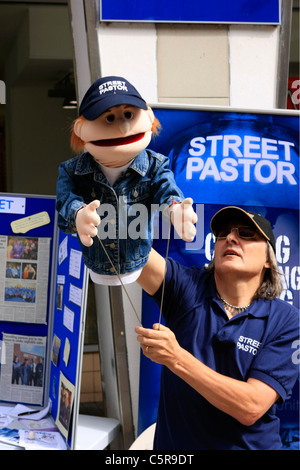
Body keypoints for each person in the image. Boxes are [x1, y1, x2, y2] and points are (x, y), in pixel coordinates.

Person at [135, 206, 299, 450]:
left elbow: (250, 407)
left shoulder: (286, 320)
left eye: (246, 234)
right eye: (223, 234)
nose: (231, 238)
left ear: (268, 260)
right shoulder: (186, 286)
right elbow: (130, 254)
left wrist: (176, 358)